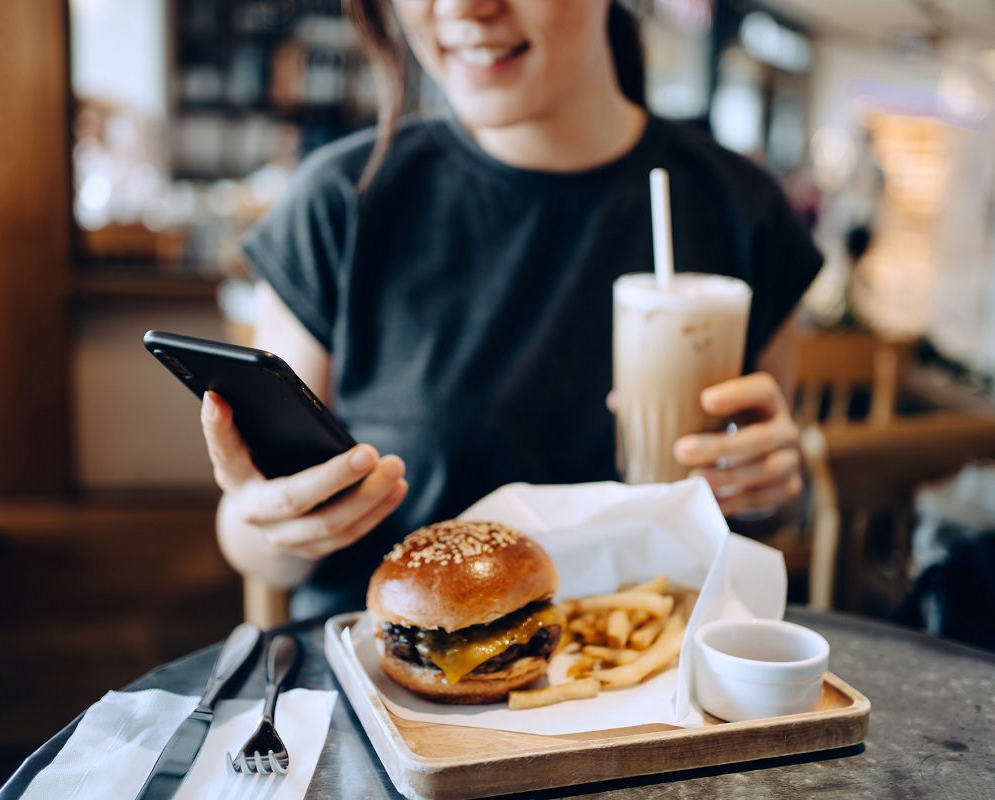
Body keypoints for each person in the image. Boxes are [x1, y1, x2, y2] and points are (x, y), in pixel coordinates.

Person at [200, 0, 824, 616]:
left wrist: (768, 489)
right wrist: (271, 523)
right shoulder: (341, 202)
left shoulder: (743, 212)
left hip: (656, 685)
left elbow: (759, 518)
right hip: (388, 687)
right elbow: (260, 545)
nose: (464, 9)